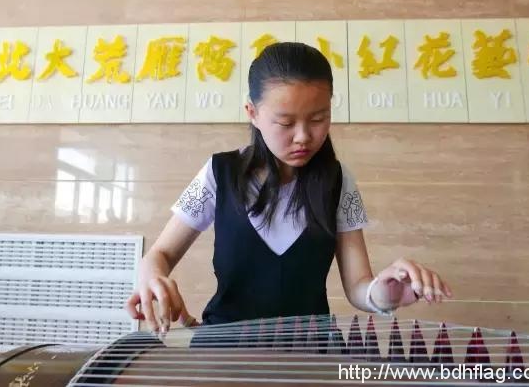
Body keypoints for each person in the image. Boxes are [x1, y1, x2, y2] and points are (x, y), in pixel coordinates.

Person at [126, 41, 453, 333]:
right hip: (225, 350)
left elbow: (358, 286)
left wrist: (385, 292)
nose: (303, 136)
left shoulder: (339, 182)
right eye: (285, 122)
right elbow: (161, 254)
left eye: (318, 119)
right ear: (251, 113)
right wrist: (152, 276)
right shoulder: (218, 173)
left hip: (310, 354)